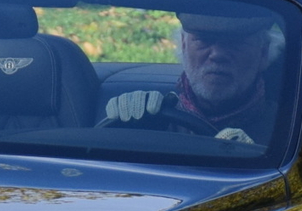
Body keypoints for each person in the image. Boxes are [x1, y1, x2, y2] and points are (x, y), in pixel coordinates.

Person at [102, 9, 283, 144]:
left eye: (235, 42)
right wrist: (123, 131)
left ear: (263, 52)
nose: (217, 54)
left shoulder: (288, 135)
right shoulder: (152, 118)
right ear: (183, 44)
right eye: (203, 40)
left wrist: (261, 159)